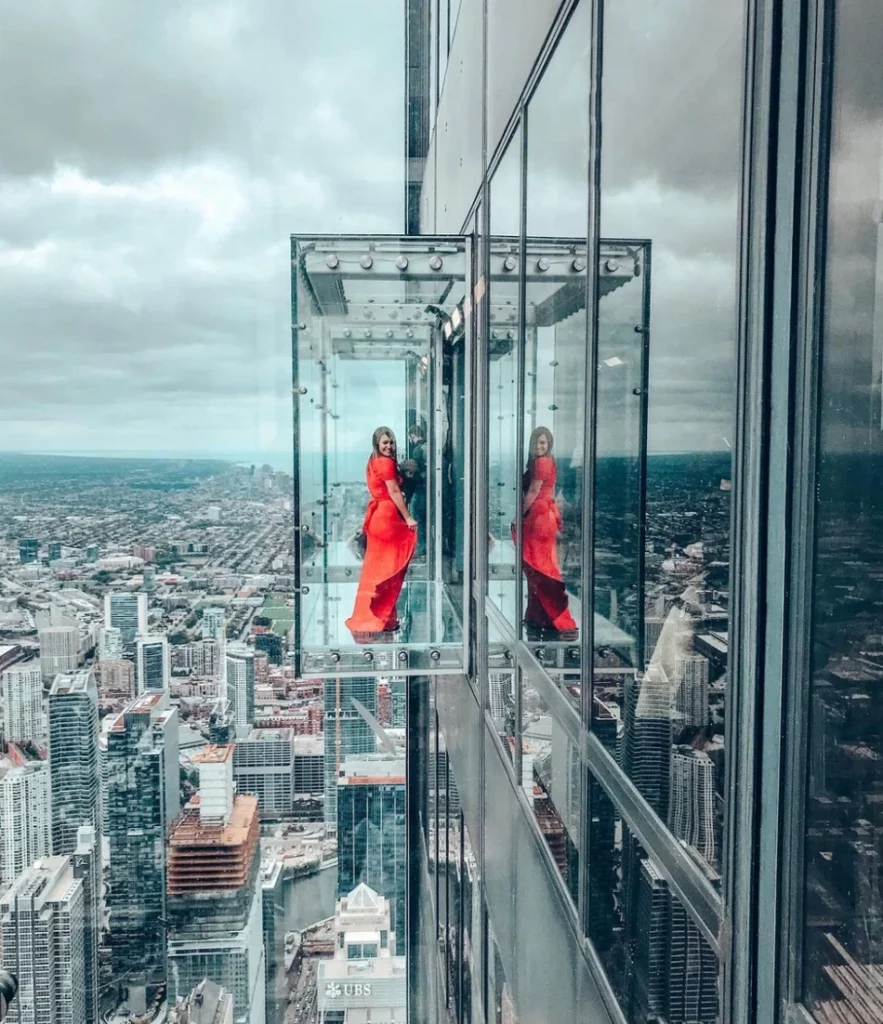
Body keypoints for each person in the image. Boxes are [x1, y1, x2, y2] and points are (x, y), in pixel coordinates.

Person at [345, 426, 417, 641]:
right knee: (392, 571)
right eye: (385, 442)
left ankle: (381, 618)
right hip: (388, 518)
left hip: (379, 519)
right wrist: (408, 517)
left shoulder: (373, 461)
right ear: (377, 443)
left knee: (377, 572)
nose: (389, 446)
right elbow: (394, 491)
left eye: (391, 442)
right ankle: (381, 617)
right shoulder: (385, 463)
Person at [517, 426, 577, 639]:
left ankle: (559, 619)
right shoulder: (544, 461)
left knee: (540, 569)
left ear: (549, 444)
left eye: (543, 442)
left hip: (538, 518)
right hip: (542, 516)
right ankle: (538, 616)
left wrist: (519, 515)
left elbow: (534, 490)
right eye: (536, 442)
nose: (539, 446)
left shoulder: (541, 463)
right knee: (538, 568)